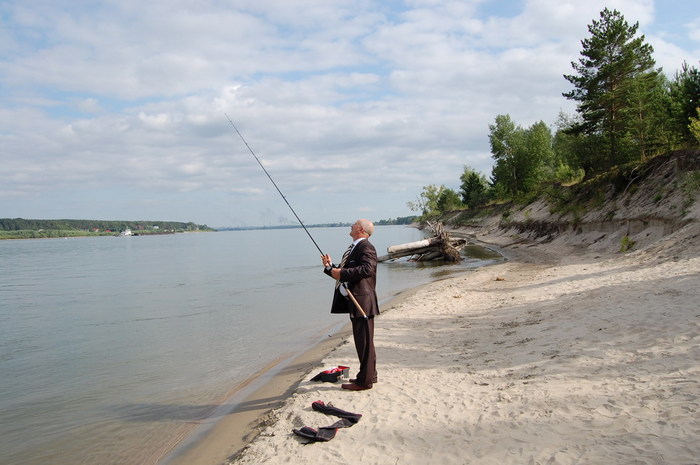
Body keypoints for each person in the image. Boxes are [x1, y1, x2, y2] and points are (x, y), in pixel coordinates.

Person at [321, 219, 379, 391]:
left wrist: (342, 272)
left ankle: (364, 382)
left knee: (365, 342)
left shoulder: (366, 247)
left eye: (354, 224)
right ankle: (368, 375)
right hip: (355, 302)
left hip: (362, 302)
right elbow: (344, 274)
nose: (351, 226)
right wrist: (330, 267)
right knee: (363, 342)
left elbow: (368, 269)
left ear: (360, 229)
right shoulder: (354, 247)